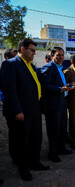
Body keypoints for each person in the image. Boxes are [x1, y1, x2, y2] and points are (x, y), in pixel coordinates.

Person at [0, 39, 49, 181]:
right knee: (21, 141)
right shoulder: (10, 64)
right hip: (21, 111)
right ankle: (23, 168)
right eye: (32, 50)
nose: (34, 53)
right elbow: (9, 90)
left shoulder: (31, 66)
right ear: (23, 49)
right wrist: (17, 111)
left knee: (36, 138)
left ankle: (34, 162)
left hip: (34, 109)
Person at [40, 47, 73, 163]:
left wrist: (66, 86)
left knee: (62, 127)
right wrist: (60, 89)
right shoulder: (48, 67)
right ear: (52, 55)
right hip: (53, 105)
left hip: (62, 103)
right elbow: (45, 86)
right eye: (58, 55)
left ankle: (61, 148)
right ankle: (52, 153)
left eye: (62, 55)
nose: (61, 57)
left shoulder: (60, 68)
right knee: (53, 129)